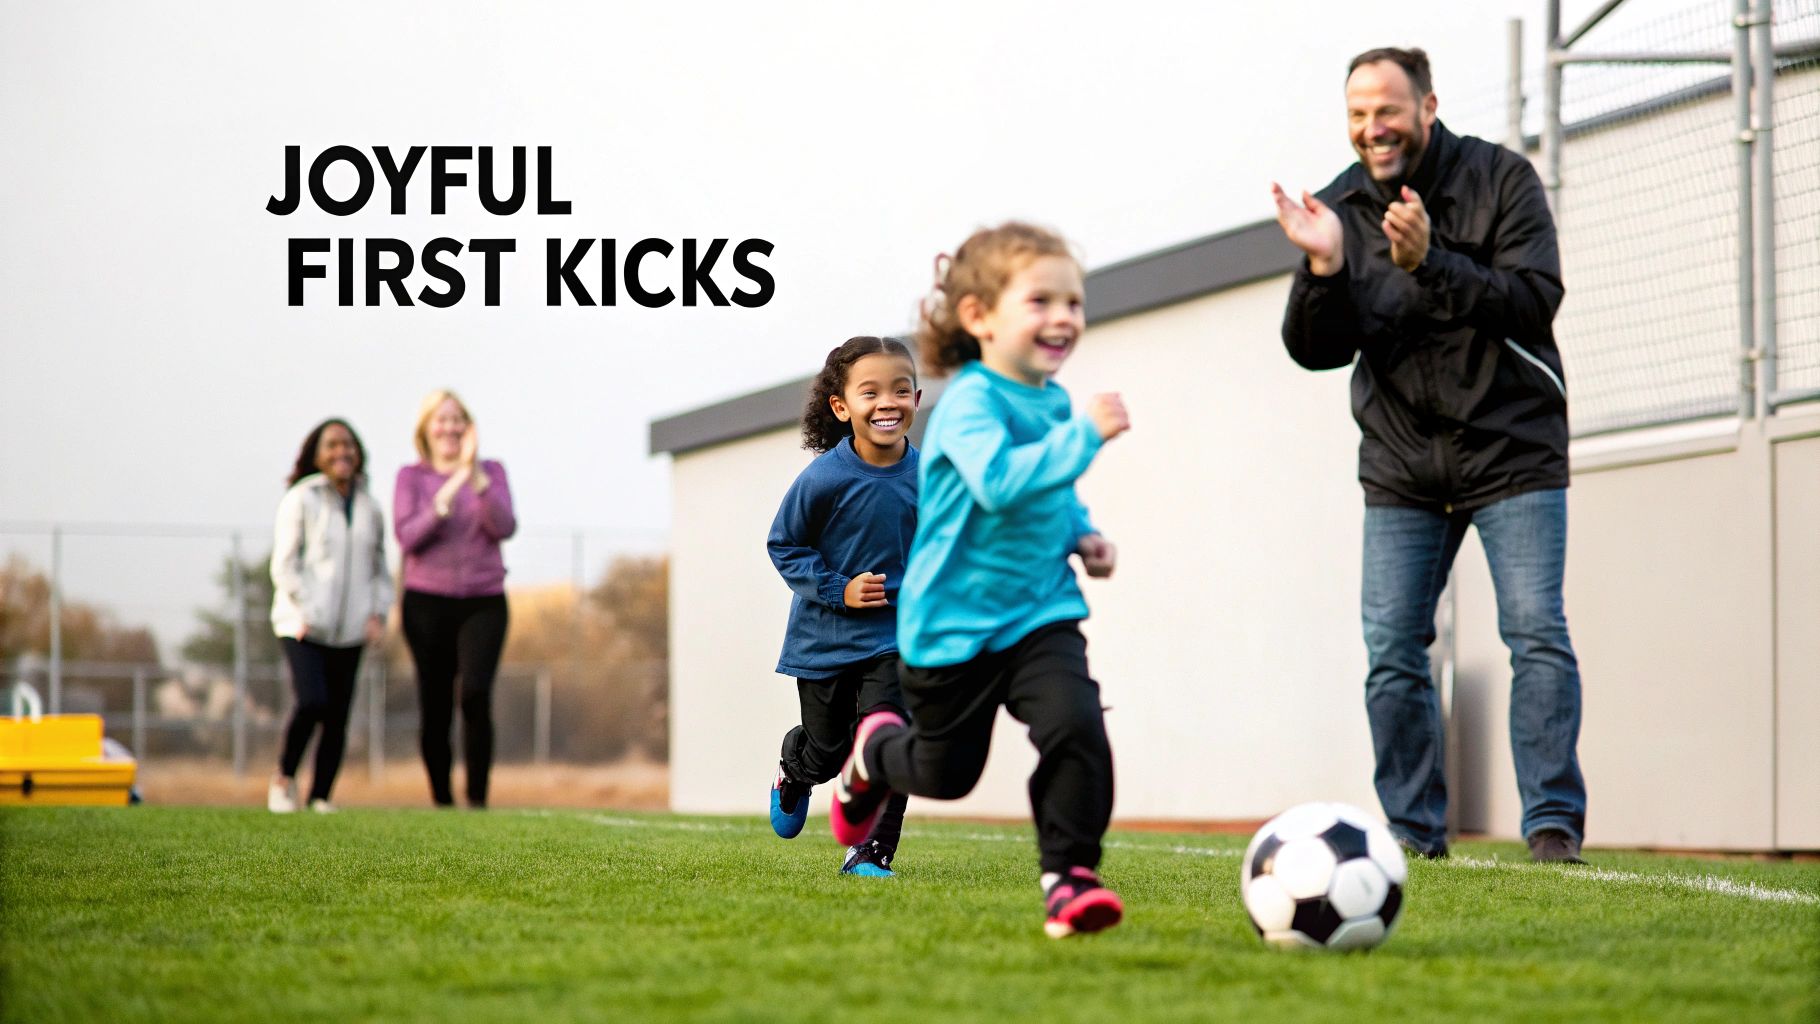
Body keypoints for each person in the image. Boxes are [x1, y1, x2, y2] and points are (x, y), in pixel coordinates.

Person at [1271, 46, 1587, 864]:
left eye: (1387, 110)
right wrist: (1322, 267)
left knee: (1535, 634)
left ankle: (1551, 825)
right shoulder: (1338, 206)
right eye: (1357, 115)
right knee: (1391, 651)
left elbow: (1535, 298)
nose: (1372, 129)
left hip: (1512, 450)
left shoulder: (1502, 179)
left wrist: (1431, 262)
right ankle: (1413, 831)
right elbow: (1316, 351)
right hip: (1403, 466)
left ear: (1428, 106)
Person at [831, 222, 1132, 937]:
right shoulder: (971, 403)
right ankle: (874, 754)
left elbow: (1047, 497)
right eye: (1042, 301)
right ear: (980, 318)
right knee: (946, 776)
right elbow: (997, 483)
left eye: (1074, 303)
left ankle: (1069, 878)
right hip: (952, 628)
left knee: (1076, 724)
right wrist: (1085, 436)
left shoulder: (1054, 404)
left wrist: (1080, 533)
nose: (1064, 318)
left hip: (1038, 612)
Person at [765, 336, 921, 877]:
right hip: (825, 640)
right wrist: (839, 589)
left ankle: (870, 852)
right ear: (841, 406)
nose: (887, 402)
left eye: (900, 390)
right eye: (870, 391)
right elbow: (783, 545)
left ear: (917, 400)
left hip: (896, 637)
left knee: (887, 737)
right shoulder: (824, 478)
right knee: (830, 751)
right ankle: (795, 768)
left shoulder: (929, 479)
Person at [393, 390, 516, 809]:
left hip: (484, 601)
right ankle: (442, 801)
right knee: (436, 701)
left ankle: (477, 800)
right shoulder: (411, 478)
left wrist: (473, 475)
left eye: (457, 419)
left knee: (476, 694)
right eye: (441, 420)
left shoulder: (493, 472)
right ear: (426, 429)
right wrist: (444, 498)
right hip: (426, 603)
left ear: (470, 427)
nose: (450, 427)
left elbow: (503, 526)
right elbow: (408, 536)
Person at [268, 418, 392, 814]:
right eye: (332, 445)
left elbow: (379, 570)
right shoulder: (302, 498)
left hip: (351, 629)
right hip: (303, 625)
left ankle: (321, 795)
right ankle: (284, 779)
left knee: (338, 714)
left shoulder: (370, 508)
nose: (342, 452)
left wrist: (377, 613)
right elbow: (285, 563)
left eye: (348, 445)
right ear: (316, 454)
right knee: (312, 702)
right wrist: (303, 607)